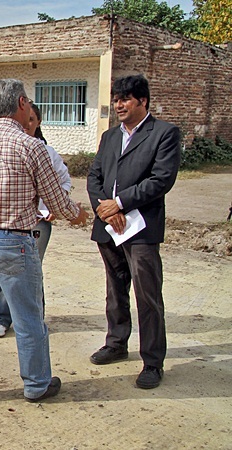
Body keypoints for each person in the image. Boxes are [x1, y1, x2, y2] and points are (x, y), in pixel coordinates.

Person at [0, 79, 88, 404]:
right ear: (23, 103)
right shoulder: (31, 146)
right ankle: (37, 383)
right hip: (12, 241)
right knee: (28, 316)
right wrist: (77, 214)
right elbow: (55, 202)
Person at [87, 74, 180, 389]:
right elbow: (95, 175)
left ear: (143, 101)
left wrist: (120, 203)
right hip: (109, 227)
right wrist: (103, 207)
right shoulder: (111, 136)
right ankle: (116, 343)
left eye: (125, 99)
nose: (118, 105)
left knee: (147, 295)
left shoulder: (164, 134)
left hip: (140, 228)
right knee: (115, 289)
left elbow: (161, 179)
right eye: (116, 99)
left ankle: (153, 362)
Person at [0, 102, 72, 338]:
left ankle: (35, 319)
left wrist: (56, 206)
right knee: (6, 269)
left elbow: (63, 182)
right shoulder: (6, 148)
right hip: (10, 222)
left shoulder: (47, 152)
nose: (27, 125)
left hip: (38, 222)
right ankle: (2, 318)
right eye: (25, 120)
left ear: (38, 123)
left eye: (33, 120)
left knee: (33, 270)